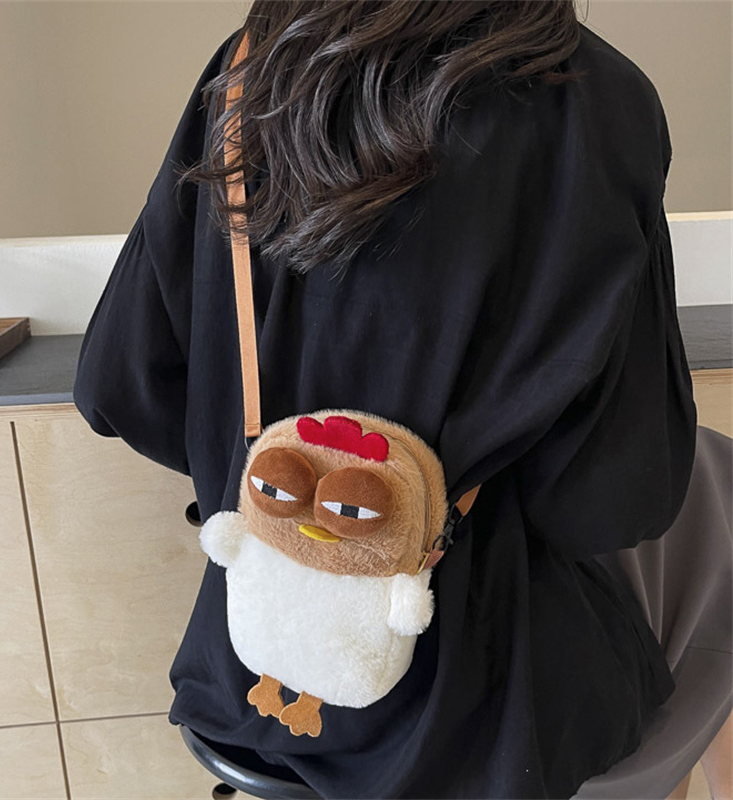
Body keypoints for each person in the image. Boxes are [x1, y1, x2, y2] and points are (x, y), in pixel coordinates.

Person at [72, 2, 732, 797]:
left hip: (249, 675)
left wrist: (285, 477)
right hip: (493, 723)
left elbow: (119, 388)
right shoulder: (601, 101)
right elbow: (612, 503)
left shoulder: (255, 66)